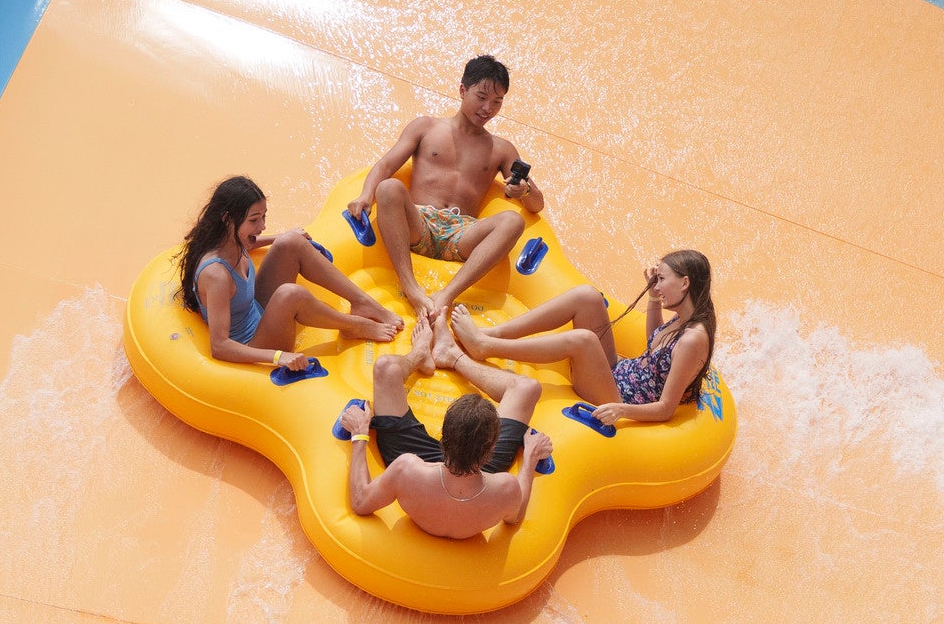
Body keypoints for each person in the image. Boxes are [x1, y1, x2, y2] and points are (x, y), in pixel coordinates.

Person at [344, 55, 544, 324]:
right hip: (419, 221)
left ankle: (447, 294)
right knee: (389, 187)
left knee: (512, 220)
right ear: (463, 90)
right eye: (481, 97)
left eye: (497, 102)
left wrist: (525, 190)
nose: (488, 108)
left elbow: (537, 205)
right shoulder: (426, 127)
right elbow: (385, 165)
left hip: (462, 234)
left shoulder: (501, 148)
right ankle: (411, 287)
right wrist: (365, 196)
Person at [452, 249, 716, 431]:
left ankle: (485, 346)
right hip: (618, 375)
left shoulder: (693, 339)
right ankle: (491, 334)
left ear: (684, 283)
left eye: (661, 280)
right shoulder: (683, 317)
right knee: (586, 296)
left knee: (584, 340)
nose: (655, 286)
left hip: (620, 397)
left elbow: (666, 408)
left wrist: (620, 410)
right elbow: (655, 346)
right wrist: (653, 300)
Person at [339, 311, 547, 540]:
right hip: (483, 478)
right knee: (528, 387)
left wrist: (359, 435)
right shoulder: (505, 488)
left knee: (386, 366)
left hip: (421, 476)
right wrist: (529, 460)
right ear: (491, 448)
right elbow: (514, 517)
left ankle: (434, 354)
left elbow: (360, 502)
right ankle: (447, 356)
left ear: (443, 435)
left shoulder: (405, 469)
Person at [181, 174, 399, 370]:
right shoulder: (216, 275)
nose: (262, 226)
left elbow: (250, 244)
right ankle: (353, 326)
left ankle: (361, 301)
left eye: (263, 216)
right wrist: (278, 357)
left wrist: (282, 236)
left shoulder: (232, 241)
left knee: (291, 242)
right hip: (254, 343)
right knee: (290, 294)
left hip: (257, 311)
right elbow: (219, 347)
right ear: (227, 219)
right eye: (254, 220)